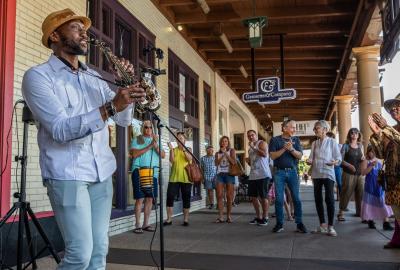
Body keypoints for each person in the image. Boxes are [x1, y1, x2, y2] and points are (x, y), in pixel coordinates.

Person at [21, 9, 146, 270]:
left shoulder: (94, 78)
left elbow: (123, 121)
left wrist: (128, 89)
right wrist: (111, 107)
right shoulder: (38, 76)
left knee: (99, 251)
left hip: (101, 173)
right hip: (67, 174)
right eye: (76, 28)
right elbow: (60, 130)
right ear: (55, 36)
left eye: (85, 29)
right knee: (79, 254)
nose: (84, 34)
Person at [369, 93, 400, 248]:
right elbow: (381, 153)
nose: (394, 109)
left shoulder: (390, 129)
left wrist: (385, 128)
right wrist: (376, 134)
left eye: (397, 106)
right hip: (393, 179)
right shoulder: (390, 129)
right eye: (392, 108)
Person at [269, 120, 308, 233]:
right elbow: (272, 156)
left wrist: (291, 149)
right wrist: (284, 148)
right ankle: (279, 224)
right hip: (279, 172)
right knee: (279, 200)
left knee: (296, 198)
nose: (294, 129)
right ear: (285, 128)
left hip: (293, 172)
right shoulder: (275, 140)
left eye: (295, 127)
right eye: (292, 127)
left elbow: (300, 156)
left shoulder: (296, 140)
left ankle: (299, 223)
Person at [130, 120, 165, 234]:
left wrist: (156, 146)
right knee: (140, 199)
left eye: (150, 127)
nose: (148, 129)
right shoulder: (138, 139)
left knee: (150, 198)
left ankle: (146, 224)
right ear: (142, 128)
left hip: (152, 172)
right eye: (146, 127)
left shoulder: (156, 140)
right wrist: (150, 146)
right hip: (139, 170)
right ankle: (137, 224)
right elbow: (134, 154)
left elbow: (163, 155)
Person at [307, 121, 342, 236]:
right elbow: (311, 158)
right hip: (316, 174)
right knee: (318, 199)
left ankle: (331, 227)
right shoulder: (314, 143)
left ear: (325, 129)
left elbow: (338, 158)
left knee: (329, 199)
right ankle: (322, 225)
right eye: (315, 128)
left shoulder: (332, 142)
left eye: (317, 128)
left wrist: (334, 162)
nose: (315, 130)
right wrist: (309, 161)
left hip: (328, 173)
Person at [360, 145, 393, 231]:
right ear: (368, 152)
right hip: (370, 186)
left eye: (374, 151)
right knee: (370, 204)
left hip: (379, 186)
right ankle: (370, 220)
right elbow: (363, 172)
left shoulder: (380, 160)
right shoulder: (365, 161)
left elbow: (384, 172)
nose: (373, 153)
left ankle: (386, 222)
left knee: (383, 203)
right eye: (371, 151)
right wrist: (370, 166)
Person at [337, 128, 365, 221]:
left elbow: (362, 158)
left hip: (359, 174)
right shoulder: (345, 146)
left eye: (356, 133)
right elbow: (340, 160)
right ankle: (341, 212)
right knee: (346, 192)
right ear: (349, 135)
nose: (354, 134)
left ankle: (360, 212)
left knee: (360, 193)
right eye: (352, 133)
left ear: (358, 135)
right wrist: (349, 165)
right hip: (348, 173)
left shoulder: (361, 146)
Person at [165, 132, 193, 226]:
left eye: (181, 138)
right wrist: (171, 149)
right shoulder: (173, 150)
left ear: (184, 140)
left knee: (186, 199)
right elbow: (172, 161)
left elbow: (189, 159)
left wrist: (184, 149)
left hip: (186, 179)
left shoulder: (188, 149)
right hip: (174, 178)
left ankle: (186, 220)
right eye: (177, 139)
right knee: (170, 197)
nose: (179, 140)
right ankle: (169, 219)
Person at [246, 130, 272, 226]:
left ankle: (265, 217)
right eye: (249, 136)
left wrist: (253, 147)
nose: (251, 137)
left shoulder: (262, 143)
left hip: (263, 174)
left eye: (252, 135)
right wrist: (248, 162)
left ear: (256, 135)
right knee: (253, 197)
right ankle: (258, 217)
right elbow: (254, 162)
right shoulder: (249, 149)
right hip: (253, 175)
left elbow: (264, 154)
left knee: (263, 196)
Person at [215, 136, 237, 223]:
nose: (224, 143)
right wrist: (222, 155)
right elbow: (216, 163)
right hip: (220, 175)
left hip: (229, 174)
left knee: (229, 196)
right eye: (223, 141)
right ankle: (220, 216)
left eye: (226, 141)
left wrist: (226, 154)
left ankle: (228, 216)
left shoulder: (232, 151)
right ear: (220, 143)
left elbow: (233, 162)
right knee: (219, 195)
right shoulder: (217, 153)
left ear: (228, 143)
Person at [326, 131, 343, 200]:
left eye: (330, 138)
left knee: (339, 183)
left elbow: (341, 158)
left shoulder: (339, 146)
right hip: (328, 167)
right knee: (330, 184)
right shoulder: (325, 147)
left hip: (337, 167)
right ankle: (332, 198)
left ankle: (341, 199)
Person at [200, 145, 217, 209]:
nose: (211, 151)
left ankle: (219, 203)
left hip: (215, 176)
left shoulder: (215, 157)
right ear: (206, 150)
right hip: (206, 177)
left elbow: (218, 167)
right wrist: (202, 178)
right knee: (210, 191)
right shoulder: (203, 158)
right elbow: (201, 169)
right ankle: (211, 203)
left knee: (218, 190)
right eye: (210, 149)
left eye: (212, 150)